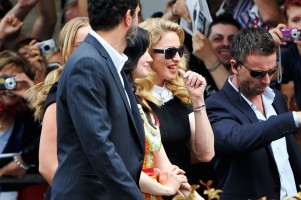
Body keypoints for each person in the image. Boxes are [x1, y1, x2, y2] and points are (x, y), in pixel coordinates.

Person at [51, 1, 145, 199]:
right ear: (128, 17)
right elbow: (98, 144)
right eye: (137, 14)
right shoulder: (88, 63)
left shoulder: (107, 60)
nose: (138, 22)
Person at [206, 27, 301, 200]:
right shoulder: (216, 105)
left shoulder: (277, 98)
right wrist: (294, 118)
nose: (266, 80)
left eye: (272, 71)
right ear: (235, 66)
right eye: (257, 73)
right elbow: (235, 139)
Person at [138, 18, 215, 199]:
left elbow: (206, 153)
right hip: (151, 192)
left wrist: (197, 100)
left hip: (184, 191)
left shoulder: (179, 95)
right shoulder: (134, 98)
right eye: (169, 52)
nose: (177, 58)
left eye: (179, 51)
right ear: (147, 54)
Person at [123, 27, 204, 200]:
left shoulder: (142, 108)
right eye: (144, 52)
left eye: (180, 51)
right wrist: (166, 189)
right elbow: (122, 167)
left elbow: (168, 166)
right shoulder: (122, 102)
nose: (148, 59)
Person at [28, 16, 90, 186]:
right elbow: (48, 166)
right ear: (64, 52)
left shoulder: (105, 88)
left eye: (96, 45)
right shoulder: (61, 93)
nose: (90, 51)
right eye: (81, 46)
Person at [0, 50, 42, 200]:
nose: (9, 88)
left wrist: (33, 96)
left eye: (14, 81)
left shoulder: (31, 119)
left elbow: (58, 131)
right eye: (4, 80)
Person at [269, 0, 301, 114]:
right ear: (286, 26)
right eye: (296, 20)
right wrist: (266, 46)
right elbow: (264, 75)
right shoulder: (289, 56)